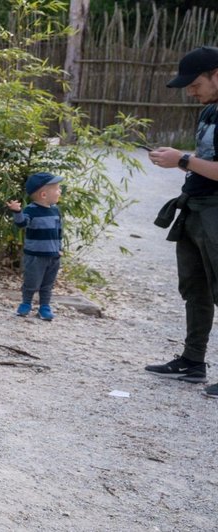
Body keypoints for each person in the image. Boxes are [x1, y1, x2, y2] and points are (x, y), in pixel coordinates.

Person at [145, 46, 218, 399]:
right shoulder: (208, 111)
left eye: (195, 83)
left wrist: (183, 159)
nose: (191, 91)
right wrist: (178, 162)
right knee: (195, 288)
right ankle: (193, 361)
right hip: (196, 208)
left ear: (216, 74)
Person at [5, 172, 64, 321]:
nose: (60, 191)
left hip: (53, 254)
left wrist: (59, 248)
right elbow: (22, 223)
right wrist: (17, 212)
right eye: (57, 189)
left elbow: (59, 231)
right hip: (35, 255)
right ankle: (26, 303)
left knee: (48, 283)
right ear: (43, 194)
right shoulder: (31, 210)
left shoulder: (55, 210)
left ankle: (45, 306)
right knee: (31, 281)